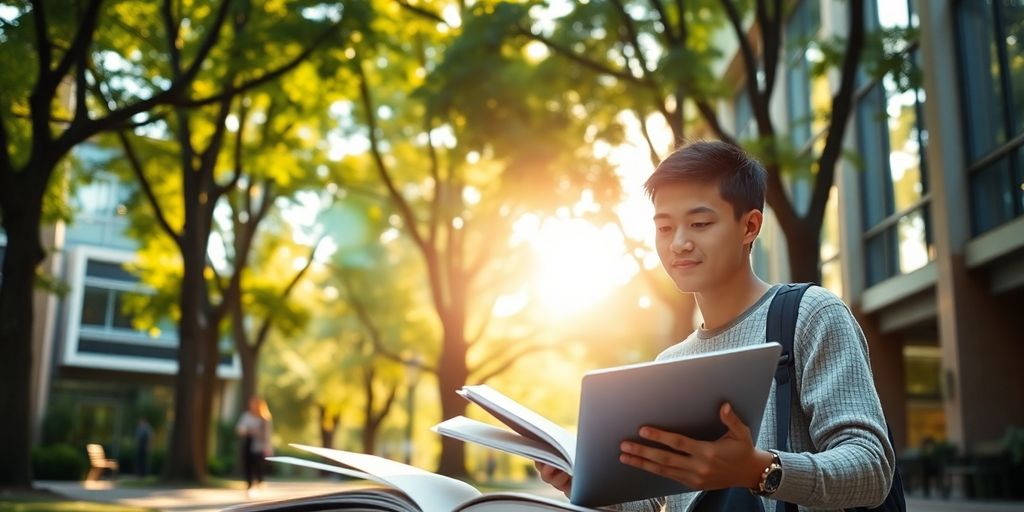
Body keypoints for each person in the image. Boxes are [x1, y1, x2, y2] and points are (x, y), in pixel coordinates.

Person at [535, 141, 895, 511]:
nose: (679, 243)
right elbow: (657, 503)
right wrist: (589, 487)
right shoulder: (669, 363)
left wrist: (758, 470)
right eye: (664, 227)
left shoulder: (811, 314)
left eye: (700, 223)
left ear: (750, 226)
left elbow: (872, 468)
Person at [237, 395, 273, 496]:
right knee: (248, 464)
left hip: (259, 445)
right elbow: (240, 429)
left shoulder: (265, 418)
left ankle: (260, 483)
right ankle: (249, 485)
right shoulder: (246, 416)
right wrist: (247, 431)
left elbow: (267, 435)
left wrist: (268, 447)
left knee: (258, 465)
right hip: (248, 443)